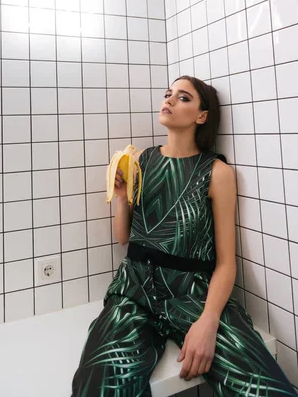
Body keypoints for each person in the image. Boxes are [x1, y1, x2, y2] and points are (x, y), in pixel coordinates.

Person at [71, 75, 297, 396]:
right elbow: (125, 238)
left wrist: (208, 322)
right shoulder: (141, 161)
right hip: (133, 291)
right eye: (168, 95)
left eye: (183, 97)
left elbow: (225, 262)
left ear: (201, 116)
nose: (169, 100)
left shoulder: (217, 172)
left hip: (194, 294)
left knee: (262, 386)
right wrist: (121, 197)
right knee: (99, 385)